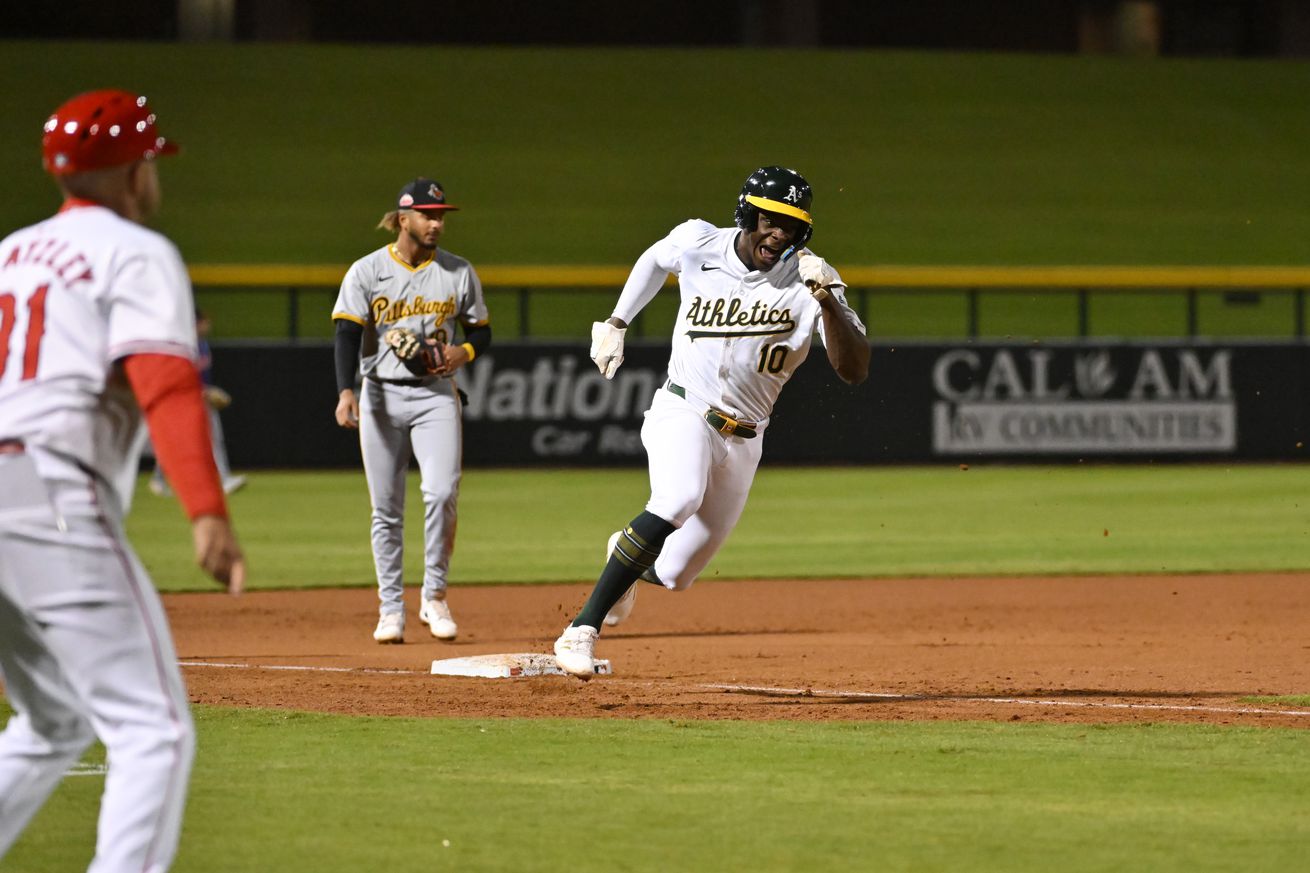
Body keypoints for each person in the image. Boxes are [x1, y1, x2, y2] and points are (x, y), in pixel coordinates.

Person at [0, 90, 245, 871]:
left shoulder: (10, 249)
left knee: (53, 717)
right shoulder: (136, 251)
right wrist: (206, 510)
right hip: (45, 491)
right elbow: (167, 384)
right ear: (137, 172)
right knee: (155, 729)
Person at [553, 166, 869, 679]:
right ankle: (581, 629)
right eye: (771, 219)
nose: (779, 233)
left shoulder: (811, 278)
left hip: (747, 437)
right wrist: (616, 321)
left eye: (791, 225)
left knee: (676, 574)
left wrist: (827, 300)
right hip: (684, 407)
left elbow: (855, 370)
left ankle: (629, 554)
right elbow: (655, 259)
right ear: (748, 213)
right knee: (675, 499)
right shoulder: (699, 242)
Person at [332, 178, 491, 644]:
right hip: (380, 394)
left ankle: (435, 596)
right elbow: (345, 334)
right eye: (428, 214)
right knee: (386, 508)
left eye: (441, 215)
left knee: (442, 492)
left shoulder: (458, 272)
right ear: (403, 220)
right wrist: (346, 391)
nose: (437, 223)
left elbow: (481, 332)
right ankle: (390, 608)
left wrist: (463, 352)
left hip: (437, 394)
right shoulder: (366, 271)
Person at [150, 307, 247, 497]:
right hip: (181, 399)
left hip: (200, 397)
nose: (207, 326)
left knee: (214, 437)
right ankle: (158, 478)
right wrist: (206, 392)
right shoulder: (184, 346)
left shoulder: (202, 345)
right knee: (175, 439)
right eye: (204, 322)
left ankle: (225, 479)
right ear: (194, 324)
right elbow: (180, 376)